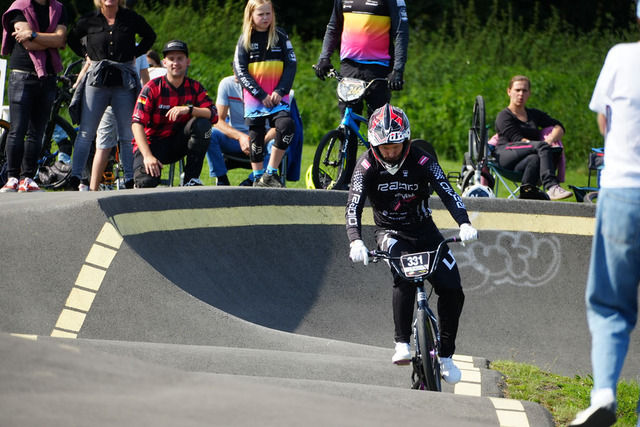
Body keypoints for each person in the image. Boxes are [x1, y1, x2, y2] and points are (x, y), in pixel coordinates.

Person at [346, 104, 478, 384]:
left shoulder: (422, 160)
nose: (390, 153)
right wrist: (355, 240)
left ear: (406, 141)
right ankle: (402, 343)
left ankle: (446, 357)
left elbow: (447, 191)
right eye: (384, 148)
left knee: (453, 289)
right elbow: (353, 205)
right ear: (374, 145)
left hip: (425, 231)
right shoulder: (365, 165)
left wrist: (464, 223)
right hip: (390, 232)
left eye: (395, 146)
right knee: (404, 277)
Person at [569, 5, 640, 426]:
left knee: (611, 303)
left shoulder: (621, 56)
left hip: (623, 193)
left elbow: (603, 120)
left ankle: (605, 392)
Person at [314, 0, 409, 185]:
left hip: (379, 68)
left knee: (381, 126)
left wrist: (398, 69)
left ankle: (381, 177)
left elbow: (401, 32)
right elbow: (333, 27)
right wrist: (324, 57)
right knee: (348, 123)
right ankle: (346, 179)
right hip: (349, 67)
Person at [65, 0, 156, 191]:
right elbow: (71, 38)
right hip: (97, 81)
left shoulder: (130, 17)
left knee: (127, 133)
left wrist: (135, 53)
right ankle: (75, 177)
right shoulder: (90, 19)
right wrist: (86, 54)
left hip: (123, 82)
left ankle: (129, 179)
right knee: (86, 132)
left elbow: (150, 36)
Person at [0, 0, 67, 193]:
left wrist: (34, 34)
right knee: (18, 129)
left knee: (37, 132)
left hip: (48, 77)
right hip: (22, 74)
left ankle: (27, 178)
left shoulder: (58, 8)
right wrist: (48, 39)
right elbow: (28, 44)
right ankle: (12, 177)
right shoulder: (20, 6)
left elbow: (60, 40)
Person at [131, 39, 217, 188]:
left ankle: (191, 179)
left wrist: (189, 109)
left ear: (188, 62)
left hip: (178, 143)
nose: (175, 63)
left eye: (180, 58)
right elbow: (136, 124)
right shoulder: (152, 87)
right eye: (171, 59)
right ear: (164, 62)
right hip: (152, 145)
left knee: (203, 124)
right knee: (146, 183)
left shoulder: (195, 87)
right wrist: (148, 156)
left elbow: (214, 114)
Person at [233, 0, 296, 188]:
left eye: (268, 13)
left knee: (287, 126)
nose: (265, 18)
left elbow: (291, 65)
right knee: (256, 137)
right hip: (255, 99)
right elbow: (240, 70)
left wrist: (280, 90)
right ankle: (257, 177)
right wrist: (260, 95)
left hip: (278, 97)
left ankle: (270, 173)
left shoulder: (280, 35)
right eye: (260, 14)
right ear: (251, 15)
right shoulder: (245, 39)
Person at [493, 75, 573, 201]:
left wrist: (550, 140)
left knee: (534, 159)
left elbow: (559, 127)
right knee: (541, 146)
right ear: (509, 92)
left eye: (524, 90)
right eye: (517, 90)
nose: (521, 94)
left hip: (524, 160)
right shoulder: (504, 116)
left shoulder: (534, 114)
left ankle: (526, 193)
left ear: (529, 93)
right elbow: (517, 139)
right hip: (505, 154)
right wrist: (542, 146)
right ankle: (552, 186)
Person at [89, 49, 150, 191]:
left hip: (110, 99)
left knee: (105, 145)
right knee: (125, 141)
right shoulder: (136, 49)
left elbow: (90, 67)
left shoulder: (106, 44)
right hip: (126, 99)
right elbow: (146, 79)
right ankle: (129, 182)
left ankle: (94, 187)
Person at [205, 73, 277, 186]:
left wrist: (261, 141)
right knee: (210, 134)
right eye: (234, 67)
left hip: (264, 141)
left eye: (241, 67)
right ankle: (222, 179)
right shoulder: (227, 84)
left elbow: (279, 126)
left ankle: (252, 181)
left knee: (278, 143)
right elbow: (217, 121)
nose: (236, 72)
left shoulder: (272, 87)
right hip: (235, 140)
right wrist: (240, 137)